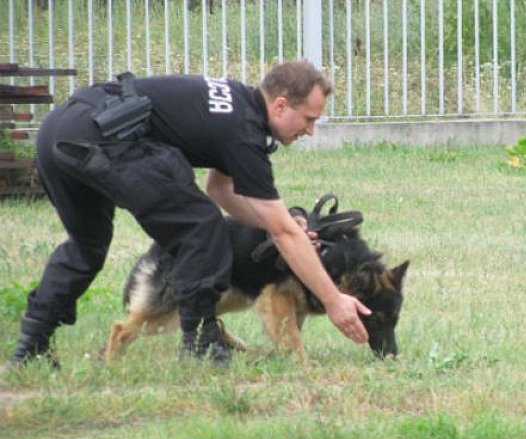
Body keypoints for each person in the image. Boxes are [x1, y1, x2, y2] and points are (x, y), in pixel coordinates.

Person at [6, 60, 370, 369]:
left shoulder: (237, 107)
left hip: (59, 132)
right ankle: (201, 344)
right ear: (280, 106)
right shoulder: (244, 134)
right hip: (104, 137)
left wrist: (286, 223)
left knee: (87, 246)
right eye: (308, 119)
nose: (311, 130)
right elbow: (282, 234)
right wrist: (333, 301)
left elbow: (220, 191)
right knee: (202, 225)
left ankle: (30, 347)